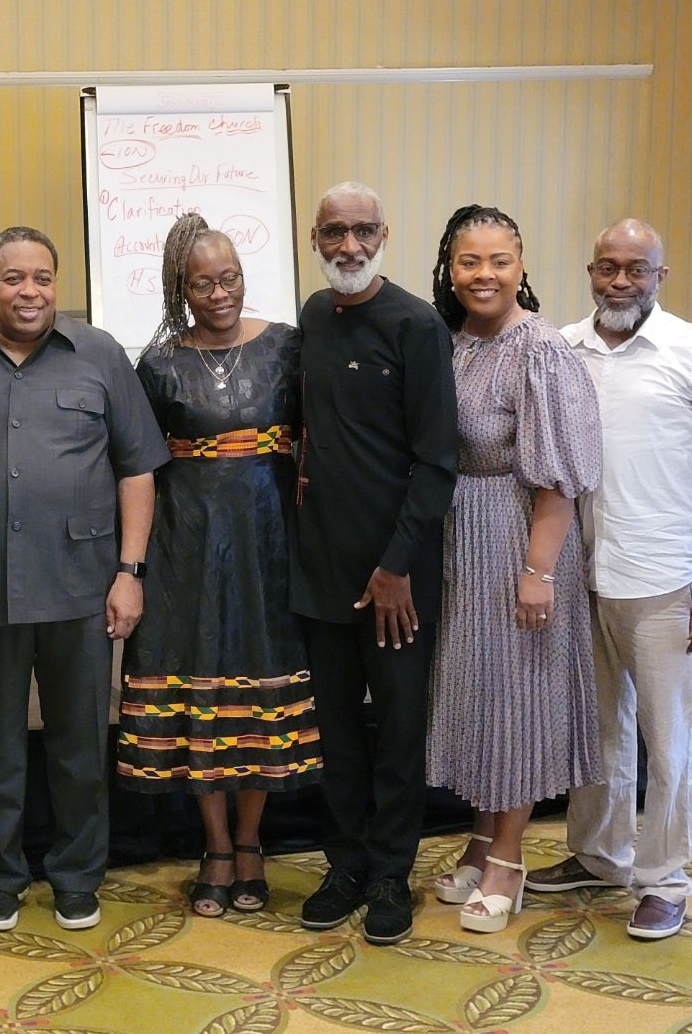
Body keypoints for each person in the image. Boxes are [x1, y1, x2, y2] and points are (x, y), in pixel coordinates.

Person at [0, 225, 169, 932]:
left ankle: (75, 874)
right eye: (13, 278)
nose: (28, 291)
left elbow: (138, 467)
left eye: (41, 277)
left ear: (55, 284)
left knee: (77, 745)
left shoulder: (97, 354)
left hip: (81, 584)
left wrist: (130, 571)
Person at [117, 214, 321, 916]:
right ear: (182, 289)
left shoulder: (288, 347)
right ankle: (216, 847)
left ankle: (253, 841)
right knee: (201, 683)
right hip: (186, 548)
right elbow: (139, 466)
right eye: (203, 283)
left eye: (229, 276)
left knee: (260, 683)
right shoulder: (161, 363)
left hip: (270, 544)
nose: (220, 292)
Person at [424, 205, 602, 934]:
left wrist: (539, 571)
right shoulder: (453, 341)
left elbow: (558, 478)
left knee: (519, 698)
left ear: (521, 265)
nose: (485, 274)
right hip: (461, 535)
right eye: (471, 261)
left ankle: (508, 859)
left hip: (516, 534)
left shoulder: (541, 349)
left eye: (499, 260)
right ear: (450, 268)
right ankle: (478, 835)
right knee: (480, 694)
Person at [291, 182, 458, 945]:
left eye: (362, 231)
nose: (348, 246)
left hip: (397, 581)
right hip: (323, 576)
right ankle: (346, 866)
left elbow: (436, 464)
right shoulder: (314, 317)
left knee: (396, 731)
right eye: (334, 233)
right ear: (316, 238)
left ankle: (392, 874)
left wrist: (396, 568)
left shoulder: (417, 325)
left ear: (384, 234)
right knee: (336, 732)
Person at [528, 219, 692, 941]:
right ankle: (599, 855)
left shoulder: (691, 352)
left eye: (636, 269)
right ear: (590, 271)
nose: (619, 281)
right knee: (598, 732)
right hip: (582, 577)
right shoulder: (565, 350)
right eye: (607, 267)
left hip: (668, 580)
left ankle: (665, 878)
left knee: (671, 742)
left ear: (660, 276)